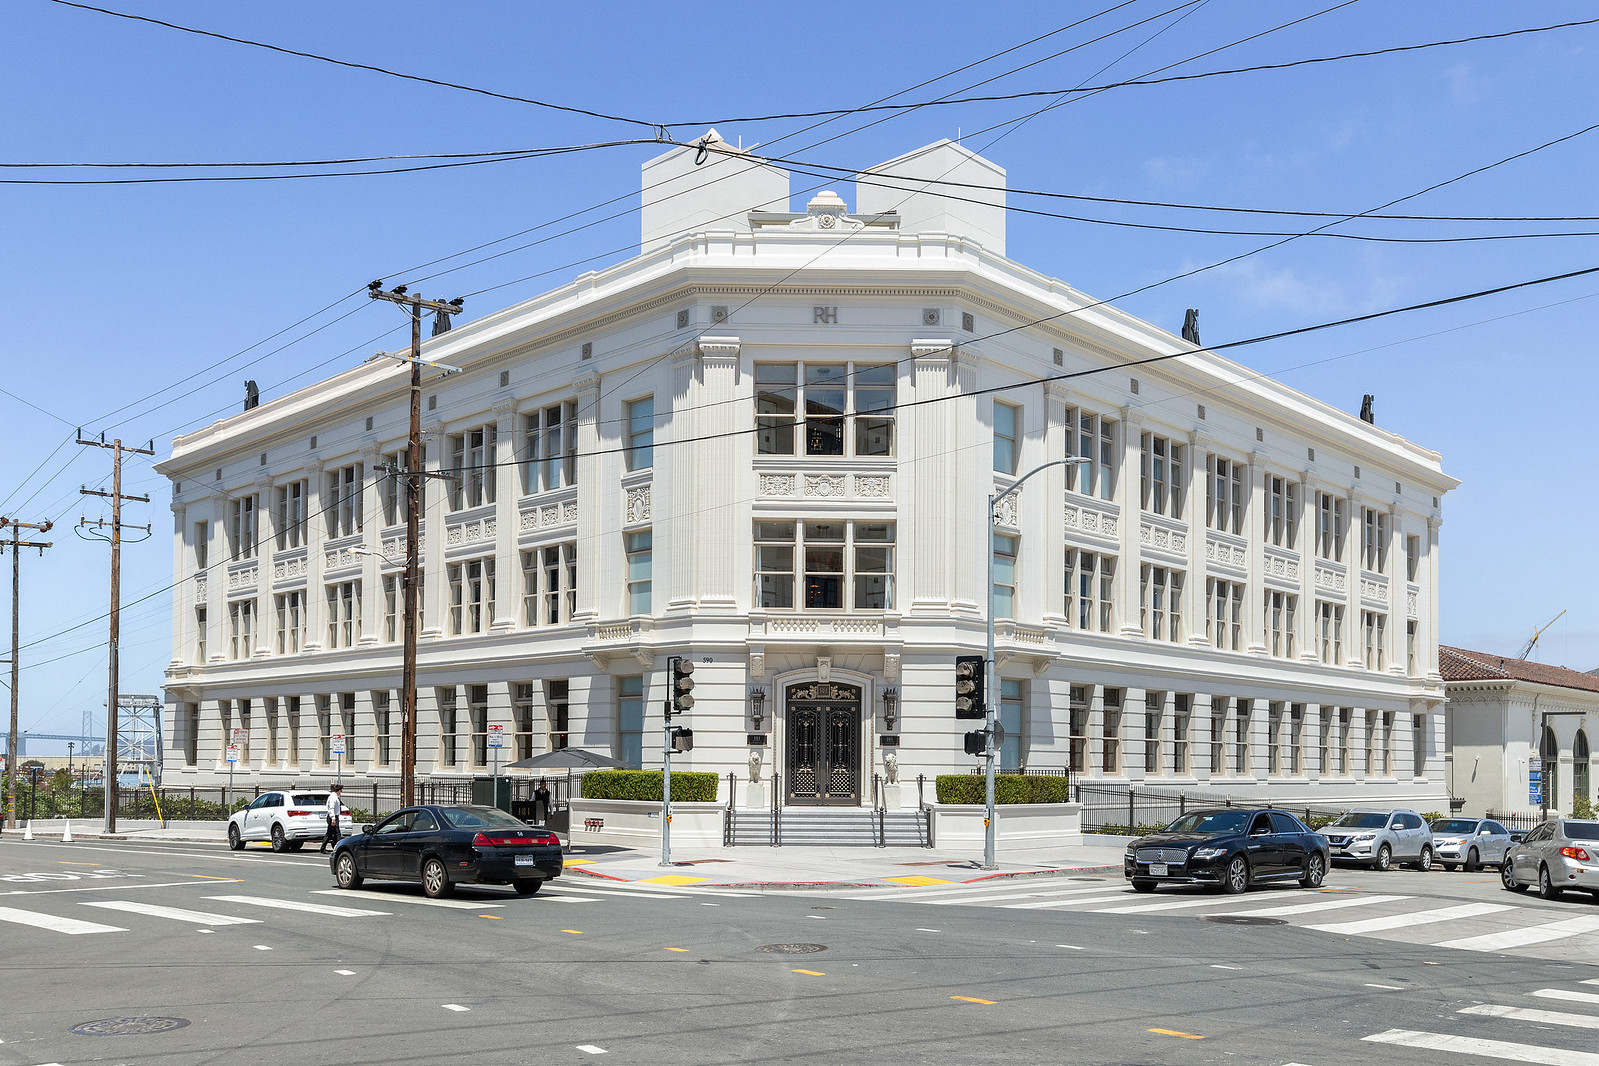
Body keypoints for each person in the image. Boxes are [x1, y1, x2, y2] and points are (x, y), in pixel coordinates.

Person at [320, 784, 344, 853]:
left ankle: (323, 848)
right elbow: (331, 808)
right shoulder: (333, 798)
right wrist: (333, 818)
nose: (341, 792)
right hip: (333, 817)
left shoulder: (334, 797)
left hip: (333, 817)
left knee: (330, 833)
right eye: (341, 790)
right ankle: (339, 848)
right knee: (337, 833)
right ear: (338, 790)